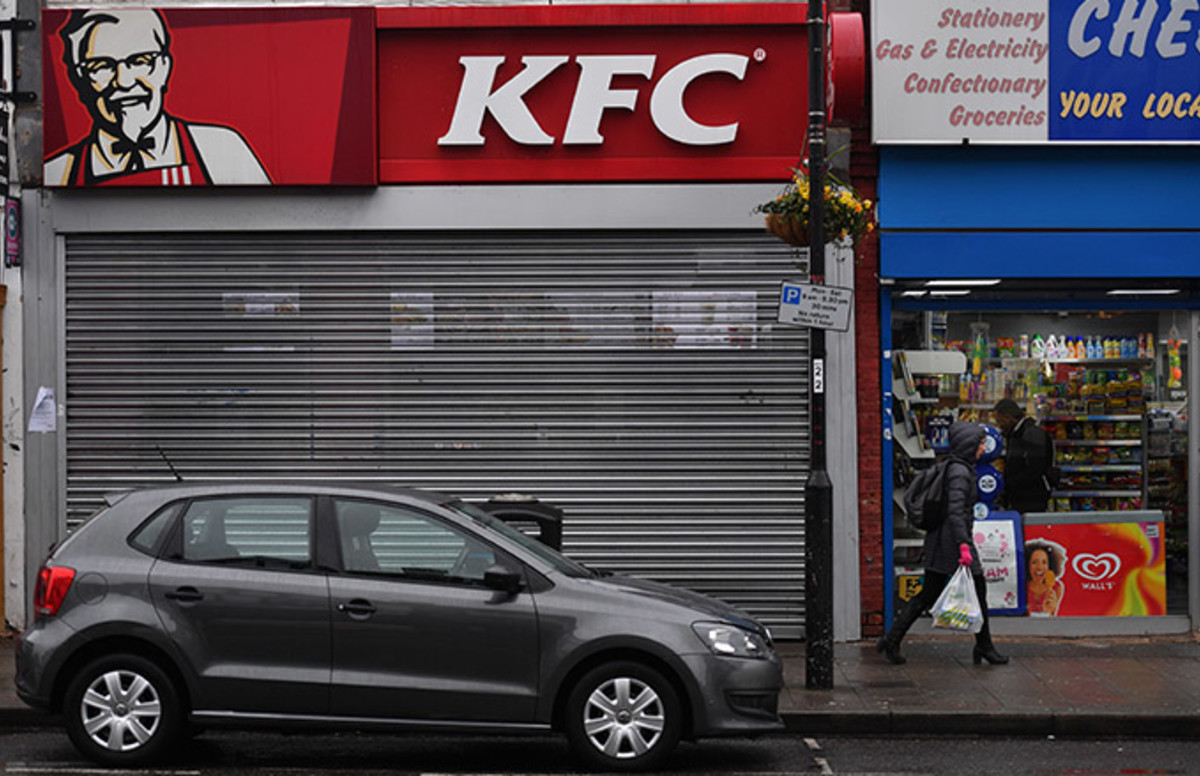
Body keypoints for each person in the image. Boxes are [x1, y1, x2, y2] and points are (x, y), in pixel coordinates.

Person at [45, 9, 271, 186]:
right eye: (102, 66)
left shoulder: (220, 149)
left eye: (140, 62)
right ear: (79, 79)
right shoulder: (60, 171)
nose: (124, 81)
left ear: (164, 67)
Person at [877, 420, 1009, 666]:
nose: (983, 448)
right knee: (977, 590)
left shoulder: (953, 466)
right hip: (953, 541)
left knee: (928, 595)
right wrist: (964, 545)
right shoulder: (960, 472)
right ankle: (984, 646)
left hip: (941, 539)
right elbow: (956, 512)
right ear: (969, 445)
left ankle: (892, 640)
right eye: (980, 443)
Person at [992, 398, 1055, 514]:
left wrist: (1008, 483)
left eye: (1000, 421)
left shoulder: (1031, 434)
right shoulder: (1017, 433)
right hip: (1023, 496)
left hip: (1031, 498)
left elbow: (1035, 469)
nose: (999, 426)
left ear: (1008, 417)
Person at [1025, 541, 1065, 616]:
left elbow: (1053, 618)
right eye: (1034, 562)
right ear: (1028, 565)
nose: (1040, 567)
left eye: (1044, 562)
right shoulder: (1021, 586)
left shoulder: (1057, 588)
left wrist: (1049, 611)